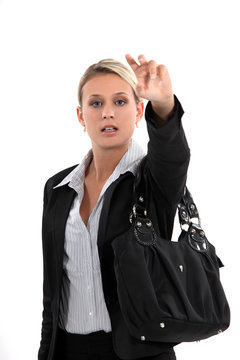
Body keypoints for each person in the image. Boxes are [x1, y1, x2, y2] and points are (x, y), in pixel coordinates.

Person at [38, 54, 190, 360]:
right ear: (81, 116)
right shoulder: (58, 189)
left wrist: (164, 103)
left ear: (138, 112)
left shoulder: (152, 179)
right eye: (96, 104)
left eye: (120, 102)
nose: (108, 112)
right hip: (68, 350)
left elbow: (173, 154)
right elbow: (53, 291)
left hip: (137, 352)